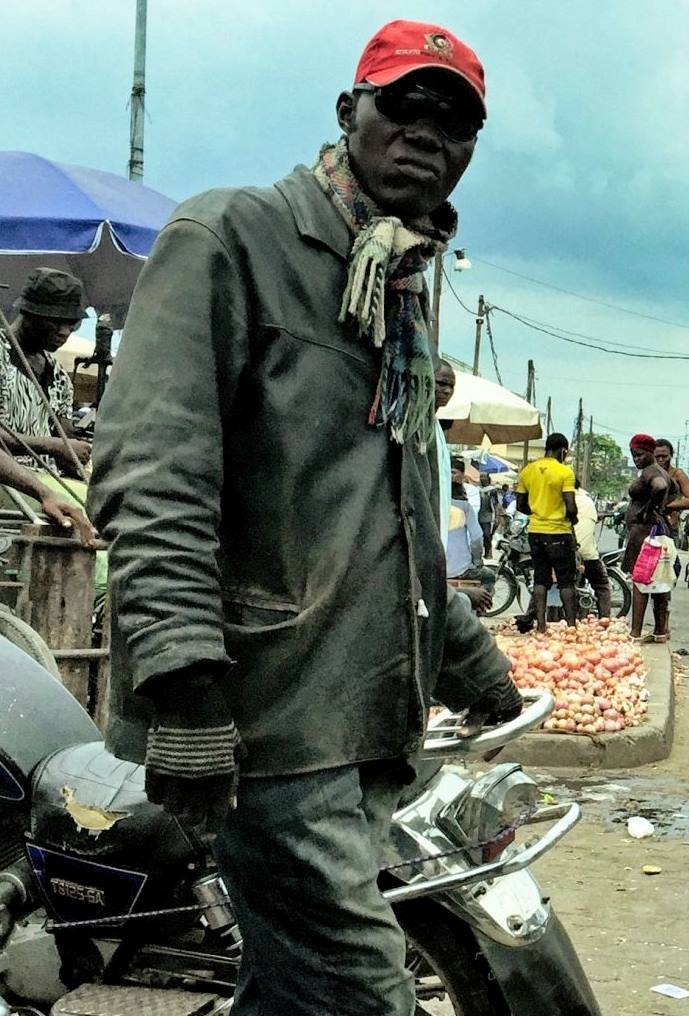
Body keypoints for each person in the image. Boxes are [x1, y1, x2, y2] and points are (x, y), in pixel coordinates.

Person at [88, 22, 516, 1016]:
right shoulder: (233, 238)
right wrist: (186, 692)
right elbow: (154, 469)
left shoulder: (394, 286)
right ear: (348, 111)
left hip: (358, 717)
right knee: (362, 994)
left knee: (289, 989)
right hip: (263, 722)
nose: (427, 131)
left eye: (454, 118)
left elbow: (384, 528)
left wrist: (474, 665)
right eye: (403, 103)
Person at [0, 268, 90, 477]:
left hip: (42, 489)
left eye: (71, 324)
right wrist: (50, 445)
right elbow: (56, 445)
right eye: (56, 321)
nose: (64, 332)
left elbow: (64, 444)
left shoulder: (59, 377)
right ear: (29, 313)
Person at [518, 432, 582, 632]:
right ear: (563, 450)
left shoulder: (527, 471)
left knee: (540, 578)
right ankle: (571, 625)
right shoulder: (565, 473)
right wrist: (572, 518)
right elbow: (570, 506)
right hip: (559, 533)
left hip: (535, 532)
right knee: (565, 580)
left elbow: (520, 504)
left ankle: (541, 626)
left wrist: (538, 514)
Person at [623, 434, 674, 641]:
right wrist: (659, 509)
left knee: (640, 580)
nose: (636, 459)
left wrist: (647, 509)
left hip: (644, 531)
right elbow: (673, 491)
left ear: (651, 453)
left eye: (640, 455)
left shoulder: (651, 471)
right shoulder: (663, 471)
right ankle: (660, 630)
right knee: (659, 580)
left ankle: (635, 632)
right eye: (634, 455)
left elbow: (660, 487)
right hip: (658, 530)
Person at [445, 457, 492, 613]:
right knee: (489, 576)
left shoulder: (432, 505)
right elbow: (477, 538)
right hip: (460, 569)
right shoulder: (465, 506)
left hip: (435, 568)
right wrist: (477, 561)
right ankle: (480, 609)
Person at [572, 486, 613, 620]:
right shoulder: (587, 500)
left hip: (561, 551)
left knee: (542, 583)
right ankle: (604, 619)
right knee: (602, 586)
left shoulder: (557, 499)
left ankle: (531, 616)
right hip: (587, 554)